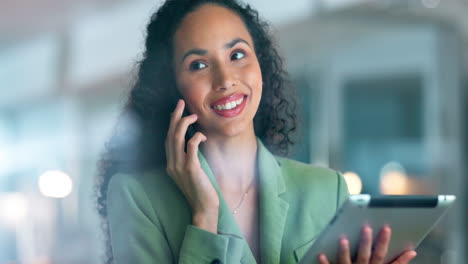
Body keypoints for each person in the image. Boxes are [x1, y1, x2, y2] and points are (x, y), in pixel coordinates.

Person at [96, 0, 418, 263]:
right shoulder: (136, 198)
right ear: (172, 88)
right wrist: (205, 216)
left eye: (237, 55)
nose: (225, 79)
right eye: (198, 64)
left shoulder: (326, 189)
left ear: (259, 64)